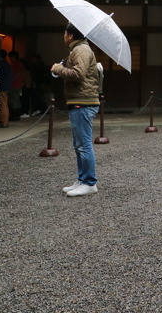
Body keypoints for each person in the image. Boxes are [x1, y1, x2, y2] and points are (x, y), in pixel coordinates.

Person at [51, 23, 101, 197]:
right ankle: (82, 179)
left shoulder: (81, 50)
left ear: (70, 35)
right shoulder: (79, 49)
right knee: (79, 144)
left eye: (65, 33)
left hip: (83, 101)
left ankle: (89, 182)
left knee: (84, 144)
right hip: (80, 100)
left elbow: (78, 74)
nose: (63, 36)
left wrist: (58, 68)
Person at [0, 49, 12, 128]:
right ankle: (5, 120)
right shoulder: (7, 64)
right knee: (5, 104)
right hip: (6, 86)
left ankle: (4, 121)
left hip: (2, 86)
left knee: (3, 104)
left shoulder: (1, 64)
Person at [9, 49, 26, 120]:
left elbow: (12, 75)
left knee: (14, 100)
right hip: (18, 84)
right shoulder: (20, 65)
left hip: (14, 85)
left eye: (10, 57)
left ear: (14, 57)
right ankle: (17, 115)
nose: (10, 59)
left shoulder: (14, 65)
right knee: (17, 100)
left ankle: (15, 116)